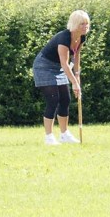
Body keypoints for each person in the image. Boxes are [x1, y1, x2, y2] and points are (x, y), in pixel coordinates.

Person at [33, 10, 90, 145]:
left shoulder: (81, 37)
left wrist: (77, 76)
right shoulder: (64, 38)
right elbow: (65, 63)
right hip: (44, 67)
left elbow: (76, 57)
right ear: (75, 24)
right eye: (82, 23)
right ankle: (49, 137)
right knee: (53, 100)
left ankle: (64, 135)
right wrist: (74, 83)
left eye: (87, 23)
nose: (86, 26)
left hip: (58, 67)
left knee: (65, 99)